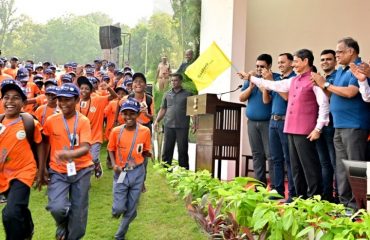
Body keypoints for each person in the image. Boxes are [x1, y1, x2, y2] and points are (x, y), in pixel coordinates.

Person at [239, 49, 329, 199]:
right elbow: (273, 85)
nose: (293, 64)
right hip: (290, 129)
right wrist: (250, 78)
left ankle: (314, 199)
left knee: (309, 167)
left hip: (305, 130)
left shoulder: (314, 79)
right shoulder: (294, 80)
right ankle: (298, 197)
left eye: (296, 61)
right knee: (295, 167)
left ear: (306, 61)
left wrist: (318, 128)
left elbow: (324, 104)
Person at [311, 37, 370, 208]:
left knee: (355, 168)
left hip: (354, 125)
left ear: (351, 51)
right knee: (341, 168)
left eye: (339, 51)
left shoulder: (358, 68)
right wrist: (321, 85)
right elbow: (332, 94)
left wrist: (326, 84)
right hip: (339, 125)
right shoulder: (341, 71)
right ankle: (346, 205)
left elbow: (351, 92)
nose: (336, 55)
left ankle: (360, 208)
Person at [39, 83, 94, 240]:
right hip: (58, 171)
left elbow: (85, 147)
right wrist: (42, 168)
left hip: (82, 171)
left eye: (67, 99)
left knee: (78, 213)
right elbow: (44, 143)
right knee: (57, 208)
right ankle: (62, 224)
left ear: (76, 100)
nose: (63, 103)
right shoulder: (51, 121)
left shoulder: (83, 121)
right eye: (60, 99)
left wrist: (69, 154)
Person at [0, 80, 44, 240]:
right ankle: (28, 228)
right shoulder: (0, 121)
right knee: (19, 208)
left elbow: (40, 143)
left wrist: (41, 171)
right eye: (6, 97)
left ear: (23, 103)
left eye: (16, 97)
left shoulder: (28, 122)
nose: (10, 101)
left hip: (24, 172)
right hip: (4, 175)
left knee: (9, 213)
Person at [107, 98, 151, 240]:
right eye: (125, 113)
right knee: (119, 208)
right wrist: (114, 164)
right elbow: (110, 149)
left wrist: (147, 154)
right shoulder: (116, 131)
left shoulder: (145, 131)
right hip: (121, 172)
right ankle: (118, 210)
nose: (128, 117)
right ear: (121, 114)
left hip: (137, 172)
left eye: (132, 113)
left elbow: (144, 152)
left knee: (131, 208)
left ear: (138, 114)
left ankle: (120, 235)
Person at [262, 53, 296, 202]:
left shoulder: (293, 78)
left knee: (289, 159)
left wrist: (272, 83)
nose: (280, 65)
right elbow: (266, 101)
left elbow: (288, 97)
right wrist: (266, 85)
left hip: (285, 121)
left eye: (283, 62)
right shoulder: (277, 80)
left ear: (291, 63)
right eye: (278, 63)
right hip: (273, 121)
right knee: (275, 158)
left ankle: (293, 193)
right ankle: (278, 190)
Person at [239, 54, 273, 187]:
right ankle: (260, 185)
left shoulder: (272, 79)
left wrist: (257, 81)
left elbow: (267, 98)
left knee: (270, 155)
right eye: (257, 66)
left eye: (262, 66)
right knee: (257, 154)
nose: (259, 69)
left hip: (267, 122)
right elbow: (241, 98)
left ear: (269, 66)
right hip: (252, 123)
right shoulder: (251, 80)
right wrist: (250, 86)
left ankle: (275, 185)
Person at [77, 76, 118, 178]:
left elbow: (114, 96)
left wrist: (108, 87)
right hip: (82, 137)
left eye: (86, 88)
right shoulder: (76, 102)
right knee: (84, 159)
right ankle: (86, 179)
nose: (84, 91)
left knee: (94, 158)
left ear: (91, 90)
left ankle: (97, 163)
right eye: (82, 88)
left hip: (96, 136)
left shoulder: (98, 100)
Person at [153, 73, 193, 169]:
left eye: (175, 80)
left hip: (182, 126)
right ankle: (165, 170)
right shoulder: (167, 94)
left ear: (180, 81)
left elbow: (192, 110)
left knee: (182, 150)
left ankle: (183, 172)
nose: (173, 82)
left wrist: (195, 123)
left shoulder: (188, 94)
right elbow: (163, 109)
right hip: (168, 125)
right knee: (167, 149)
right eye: (172, 81)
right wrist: (157, 121)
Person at [316, 49, 338, 202]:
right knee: (324, 162)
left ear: (335, 61)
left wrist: (322, 84)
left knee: (335, 161)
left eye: (328, 59)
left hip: (332, 123)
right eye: (322, 59)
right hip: (319, 124)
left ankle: (339, 195)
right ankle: (327, 195)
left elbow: (330, 96)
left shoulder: (338, 77)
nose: (325, 62)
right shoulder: (322, 78)